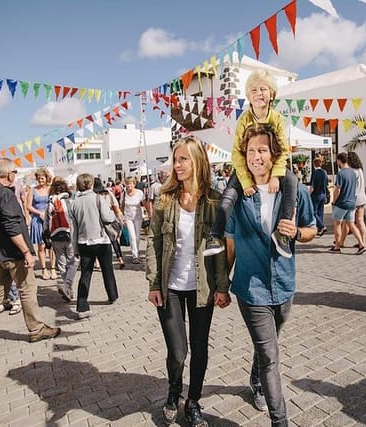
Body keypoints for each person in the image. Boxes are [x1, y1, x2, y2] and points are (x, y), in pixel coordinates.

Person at [225, 124, 317, 426]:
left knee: (269, 343)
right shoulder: (238, 193)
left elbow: (312, 230)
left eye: (262, 150)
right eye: (250, 151)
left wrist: (298, 232)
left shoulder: (295, 190)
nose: (256, 156)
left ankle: (256, 378)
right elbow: (230, 242)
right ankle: (281, 421)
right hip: (250, 289)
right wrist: (221, 283)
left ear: (274, 154)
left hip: (284, 284)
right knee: (270, 355)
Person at [146, 136, 231, 427]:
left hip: (202, 287)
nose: (177, 164)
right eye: (175, 159)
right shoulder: (164, 198)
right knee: (178, 352)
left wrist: (222, 287)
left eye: (183, 159)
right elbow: (153, 242)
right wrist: (154, 283)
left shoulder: (213, 201)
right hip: (169, 286)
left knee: (200, 347)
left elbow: (218, 248)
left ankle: (193, 401)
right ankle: (173, 390)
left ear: (197, 162)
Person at [0, 158, 61, 349]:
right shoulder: (3, 195)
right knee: (27, 289)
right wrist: (26, 251)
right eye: (14, 173)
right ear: (9, 174)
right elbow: (11, 226)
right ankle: (36, 328)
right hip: (12, 252)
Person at [205, 69, 298, 259]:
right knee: (228, 195)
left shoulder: (277, 119)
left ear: (272, 93)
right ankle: (215, 235)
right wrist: (246, 181)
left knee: (292, 182)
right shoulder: (244, 119)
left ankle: (283, 234)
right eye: (254, 90)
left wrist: (275, 175)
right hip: (245, 168)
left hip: (272, 167)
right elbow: (237, 153)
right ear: (248, 95)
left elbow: (282, 150)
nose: (259, 93)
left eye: (263, 89)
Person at [69, 173, 119, 319]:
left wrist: (75, 248)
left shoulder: (74, 203)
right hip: (101, 240)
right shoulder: (99, 198)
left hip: (84, 242)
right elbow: (108, 217)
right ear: (91, 184)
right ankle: (112, 295)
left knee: (86, 273)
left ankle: (82, 306)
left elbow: (73, 229)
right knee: (107, 269)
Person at [44, 177, 79, 302]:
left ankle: (68, 290)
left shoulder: (49, 203)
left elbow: (46, 222)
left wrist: (46, 236)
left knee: (62, 264)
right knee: (74, 261)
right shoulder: (70, 202)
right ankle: (67, 285)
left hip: (55, 237)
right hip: (69, 235)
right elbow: (75, 220)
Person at [330, 152, 366, 254]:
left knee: (337, 223)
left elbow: (338, 189)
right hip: (352, 202)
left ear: (339, 161)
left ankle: (337, 246)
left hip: (342, 202)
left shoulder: (341, 173)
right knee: (351, 224)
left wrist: (334, 201)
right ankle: (362, 244)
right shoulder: (353, 173)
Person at [26, 167, 55, 280]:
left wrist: (49, 213)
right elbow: (28, 206)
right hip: (37, 220)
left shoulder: (50, 189)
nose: (40, 181)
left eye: (42, 179)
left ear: (46, 178)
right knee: (41, 246)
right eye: (38, 179)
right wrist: (39, 213)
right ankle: (44, 269)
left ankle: (52, 268)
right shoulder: (32, 190)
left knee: (51, 245)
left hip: (50, 219)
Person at [93, 177, 125, 269]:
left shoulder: (93, 196)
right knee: (114, 240)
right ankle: (120, 259)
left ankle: (98, 262)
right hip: (109, 219)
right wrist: (120, 219)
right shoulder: (108, 193)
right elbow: (115, 206)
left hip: (97, 220)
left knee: (98, 242)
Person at [341, 151, 366, 248]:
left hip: (353, 198)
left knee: (347, 222)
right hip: (362, 197)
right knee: (360, 221)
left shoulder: (351, 171)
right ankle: (363, 241)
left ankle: (341, 242)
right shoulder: (360, 170)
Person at [121, 176, 145, 264]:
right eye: (127, 184)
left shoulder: (139, 193)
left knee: (138, 237)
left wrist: (150, 213)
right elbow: (122, 206)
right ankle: (135, 256)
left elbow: (144, 203)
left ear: (134, 184)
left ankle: (137, 252)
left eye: (130, 184)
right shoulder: (123, 193)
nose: (128, 186)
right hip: (128, 217)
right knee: (132, 236)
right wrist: (121, 218)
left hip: (138, 217)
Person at [308, 157, 328, 237]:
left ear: (314, 164)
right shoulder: (324, 172)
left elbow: (312, 186)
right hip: (323, 194)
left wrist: (308, 194)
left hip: (316, 195)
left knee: (313, 212)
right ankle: (320, 229)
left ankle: (321, 226)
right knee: (320, 212)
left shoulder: (315, 173)